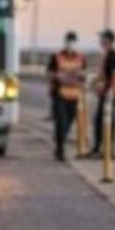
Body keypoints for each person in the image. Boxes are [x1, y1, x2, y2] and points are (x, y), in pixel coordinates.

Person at [46, 31, 86, 161]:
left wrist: (79, 79)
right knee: (61, 122)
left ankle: (60, 141)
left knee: (68, 122)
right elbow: (50, 73)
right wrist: (58, 76)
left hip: (75, 94)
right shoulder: (56, 57)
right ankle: (60, 150)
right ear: (65, 42)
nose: (70, 44)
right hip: (60, 94)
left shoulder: (81, 58)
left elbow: (83, 75)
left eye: (73, 41)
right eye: (68, 41)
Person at [87, 29, 115, 159]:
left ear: (108, 40)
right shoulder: (108, 54)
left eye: (102, 38)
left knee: (105, 120)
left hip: (111, 92)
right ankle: (100, 147)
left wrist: (111, 91)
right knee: (100, 120)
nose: (100, 41)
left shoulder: (114, 55)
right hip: (107, 91)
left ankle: (106, 149)